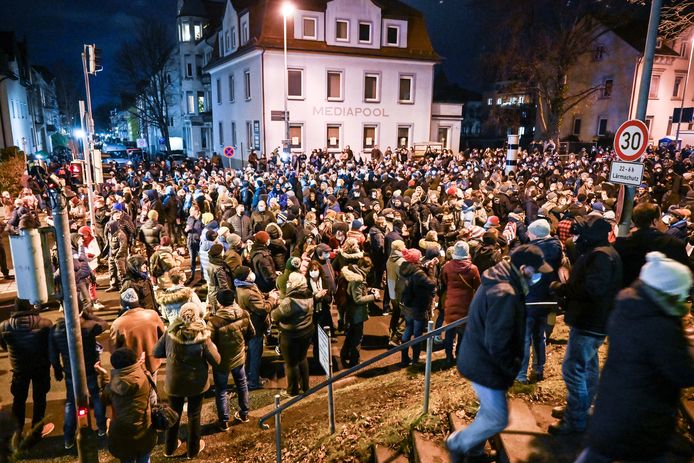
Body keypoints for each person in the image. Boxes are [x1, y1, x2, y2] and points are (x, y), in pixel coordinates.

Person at [576, 252, 694, 463]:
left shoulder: (629, 307)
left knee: (599, 452)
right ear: (668, 294)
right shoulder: (660, 326)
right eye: (681, 296)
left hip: (613, 407)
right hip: (642, 418)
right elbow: (684, 372)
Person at [447, 245, 553, 463]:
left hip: (479, 359)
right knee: (497, 418)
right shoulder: (505, 294)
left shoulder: (501, 278)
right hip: (486, 365)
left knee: (489, 412)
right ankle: (458, 443)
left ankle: (474, 451)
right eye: (537, 271)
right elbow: (498, 342)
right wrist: (509, 369)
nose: (539, 276)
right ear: (524, 268)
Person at [549, 216, 623, 435]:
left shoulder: (601, 256)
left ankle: (575, 419)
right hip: (592, 320)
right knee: (588, 367)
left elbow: (593, 290)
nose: (576, 237)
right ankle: (583, 407)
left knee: (573, 370)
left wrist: (562, 288)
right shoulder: (602, 253)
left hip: (590, 321)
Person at [153, 303, 221, 459]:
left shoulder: (169, 333)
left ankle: (169, 448)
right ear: (197, 316)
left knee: (172, 414)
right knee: (194, 415)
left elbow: (156, 352)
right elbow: (216, 360)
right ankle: (193, 450)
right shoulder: (203, 337)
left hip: (174, 382)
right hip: (196, 383)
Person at [49, 309, 108, 449]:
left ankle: (68, 437)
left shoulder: (55, 329)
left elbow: (52, 354)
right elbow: (104, 324)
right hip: (90, 369)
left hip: (71, 372)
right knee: (95, 396)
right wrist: (88, 314)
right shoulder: (88, 325)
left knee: (71, 402)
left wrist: (58, 370)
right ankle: (101, 427)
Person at [0, 298, 55, 446]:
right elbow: (50, 346)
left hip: (19, 368)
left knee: (18, 400)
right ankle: (36, 431)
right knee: (40, 398)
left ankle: (16, 434)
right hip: (41, 366)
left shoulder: (4, 326)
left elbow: (4, 346)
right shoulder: (45, 323)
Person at [516, 219, 563, 384]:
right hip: (548, 298)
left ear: (535, 234)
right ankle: (538, 369)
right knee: (540, 335)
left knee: (524, 337)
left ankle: (521, 375)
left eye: (529, 232)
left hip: (530, 299)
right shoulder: (558, 248)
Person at [97, 347, 158, 463]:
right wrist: (140, 365)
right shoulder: (144, 376)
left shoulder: (111, 386)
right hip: (144, 430)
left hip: (122, 435)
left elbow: (104, 399)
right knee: (145, 458)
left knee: (127, 459)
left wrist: (104, 376)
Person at [207, 289, 255, 430]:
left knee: (221, 390)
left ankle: (224, 421)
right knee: (242, 384)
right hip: (239, 357)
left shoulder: (214, 322)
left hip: (221, 361)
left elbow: (209, 343)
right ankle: (244, 414)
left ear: (220, 303)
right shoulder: (244, 314)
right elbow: (252, 333)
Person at [614, 202, 689, 288]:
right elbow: (685, 273)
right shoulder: (673, 243)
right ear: (654, 221)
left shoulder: (622, 243)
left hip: (630, 294)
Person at [235, 265, 278, 390]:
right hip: (255, 327)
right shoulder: (247, 292)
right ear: (245, 277)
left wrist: (267, 295)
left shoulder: (244, 285)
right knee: (255, 355)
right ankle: (253, 381)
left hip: (252, 324)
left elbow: (258, 295)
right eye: (250, 273)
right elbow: (263, 309)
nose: (252, 273)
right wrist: (272, 299)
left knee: (252, 355)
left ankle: (251, 376)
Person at [271, 272, 315, 397]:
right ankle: (305, 387)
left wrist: (275, 303)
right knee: (302, 358)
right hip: (307, 331)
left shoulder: (289, 302)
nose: (288, 283)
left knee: (291, 364)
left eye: (290, 281)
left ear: (294, 284)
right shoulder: (309, 294)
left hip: (291, 335)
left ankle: (292, 391)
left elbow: (275, 315)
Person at [440, 241, 481, 366]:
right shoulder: (473, 269)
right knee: (463, 332)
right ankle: (459, 356)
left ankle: (448, 357)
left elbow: (444, 281)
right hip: (467, 303)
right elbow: (478, 286)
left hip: (451, 301)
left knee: (449, 330)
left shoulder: (447, 266)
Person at [110, 289, 165, 376]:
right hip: (153, 361)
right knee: (153, 385)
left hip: (132, 366)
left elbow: (114, 349)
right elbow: (163, 336)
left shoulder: (118, 324)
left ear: (123, 305)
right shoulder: (152, 315)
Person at [399, 248, 437, 367]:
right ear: (416, 260)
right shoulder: (418, 273)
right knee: (417, 334)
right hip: (418, 306)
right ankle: (415, 360)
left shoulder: (404, 268)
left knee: (407, 329)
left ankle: (404, 358)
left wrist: (425, 266)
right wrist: (430, 269)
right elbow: (432, 283)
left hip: (407, 304)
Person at [340, 257, 378, 368]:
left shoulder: (354, 273)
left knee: (351, 335)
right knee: (357, 337)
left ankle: (345, 355)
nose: (369, 271)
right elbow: (358, 299)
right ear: (364, 267)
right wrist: (373, 297)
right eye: (369, 269)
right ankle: (354, 361)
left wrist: (369, 289)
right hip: (357, 313)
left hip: (352, 312)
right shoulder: (357, 280)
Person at [206, 243, 232, 313]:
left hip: (212, 290)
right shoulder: (219, 267)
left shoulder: (211, 261)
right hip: (218, 294)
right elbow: (223, 285)